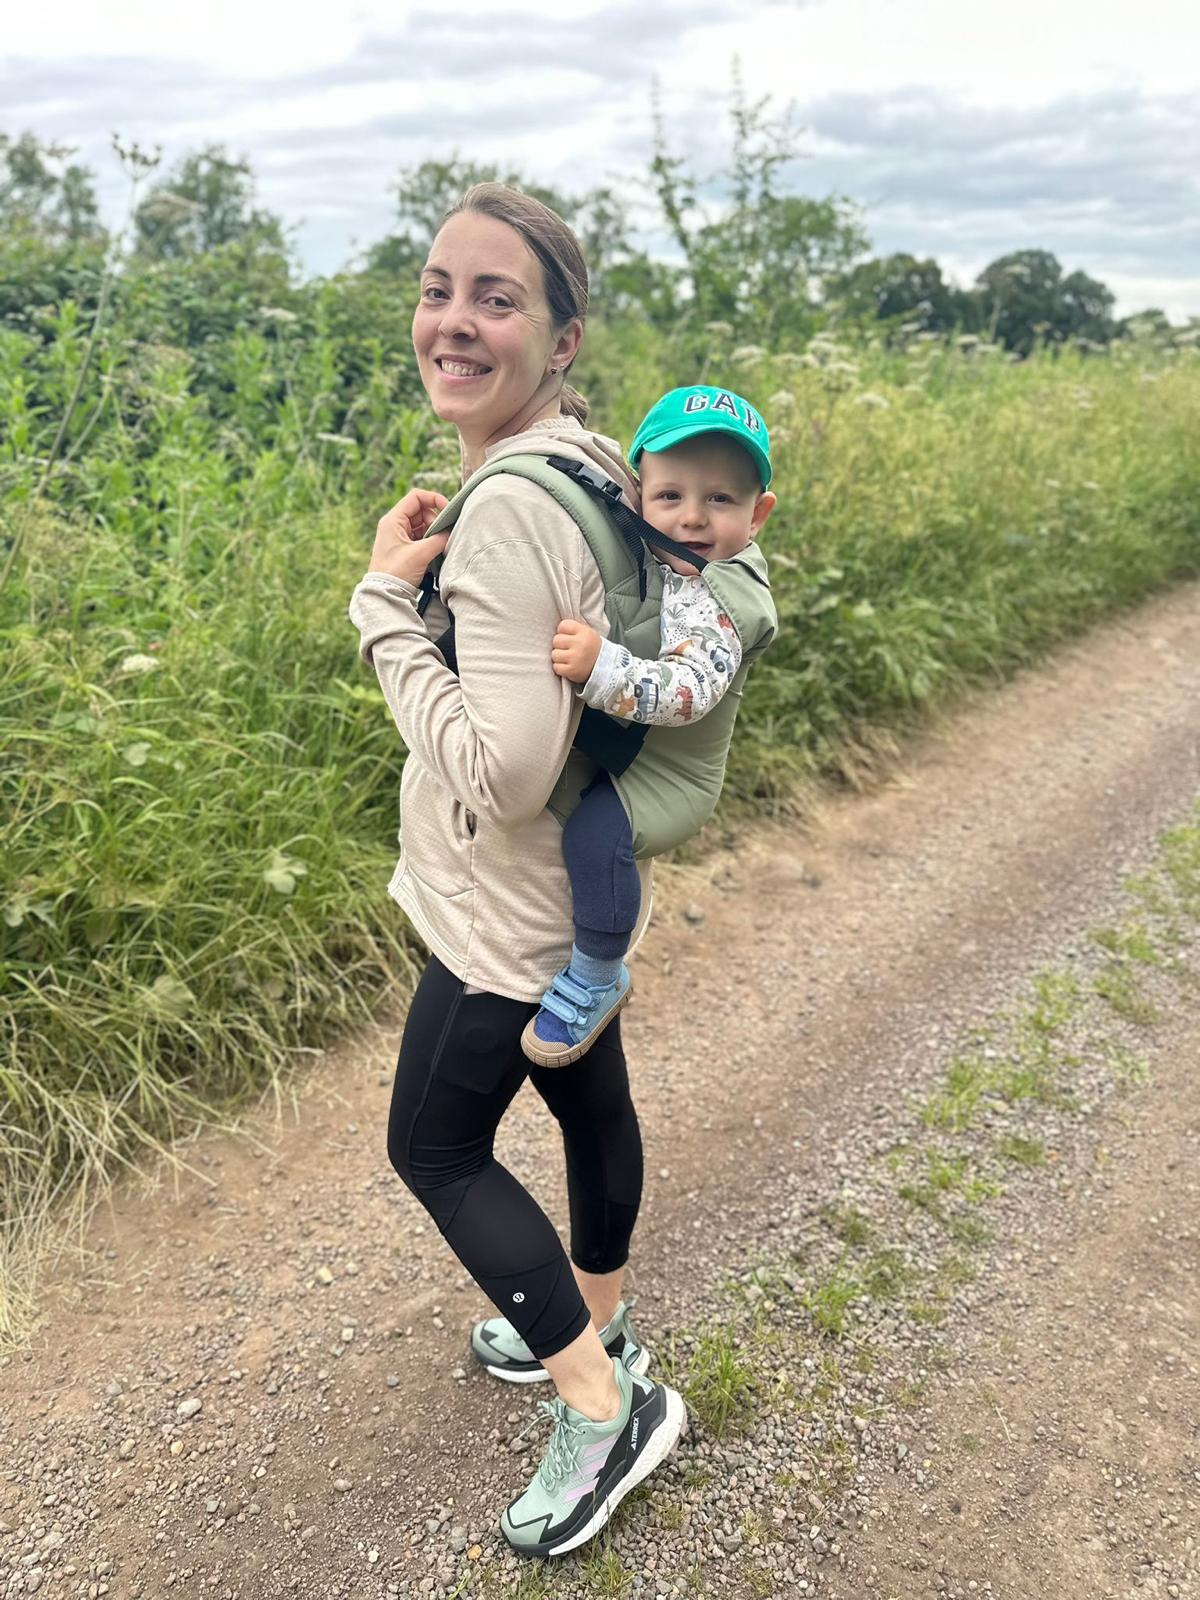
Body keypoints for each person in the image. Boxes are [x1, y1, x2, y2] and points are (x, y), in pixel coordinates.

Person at [347, 182, 688, 1560]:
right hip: (584, 896)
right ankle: (593, 1308)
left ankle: (603, 1408)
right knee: (586, 1098)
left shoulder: (505, 516)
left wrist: (385, 611)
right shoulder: (594, 461)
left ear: (561, 339)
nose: (454, 322)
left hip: (511, 912)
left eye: (497, 299)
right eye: (440, 288)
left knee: (431, 1143)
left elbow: (501, 771)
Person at [522, 385, 776, 1068]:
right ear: (638, 497)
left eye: (720, 500)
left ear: (758, 515)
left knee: (598, 834)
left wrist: (598, 666)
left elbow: (687, 692)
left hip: (672, 776)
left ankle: (598, 975)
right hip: (639, 747)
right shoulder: (674, 560)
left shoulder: (722, 596)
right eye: (671, 496)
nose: (692, 518)